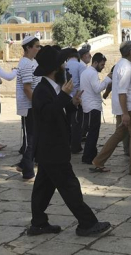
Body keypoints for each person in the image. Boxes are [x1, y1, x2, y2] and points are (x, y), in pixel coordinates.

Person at [27, 45, 111, 237]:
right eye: (62, 64)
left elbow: (58, 111)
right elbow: (48, 114)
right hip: (52, 149)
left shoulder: (52, 88)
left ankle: (38, 224)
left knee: (42, 189)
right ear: (54, 69)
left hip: (51, 149)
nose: (65, 67)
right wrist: (64, 96)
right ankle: (87, 223)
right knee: (70, 187)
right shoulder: (42, 90)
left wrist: (71, 103)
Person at [91, 41, 131, 175]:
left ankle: (99, 161)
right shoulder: (126, 67)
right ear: (130, 52)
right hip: (129, 109)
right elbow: (122, 92)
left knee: (118, 135)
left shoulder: (120, 65)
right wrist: (126, 113)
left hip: (124, 108)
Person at [79, 53, 112, 164]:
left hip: (89, 105)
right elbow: (97, 89)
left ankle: (91, 154)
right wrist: (107, 79)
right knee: (93, 133)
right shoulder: (92, 73)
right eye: (102, 65)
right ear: (96, 62)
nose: (103, 67)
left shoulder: (86, 72)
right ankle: (88, 156)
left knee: (92, 132)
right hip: (92, 107)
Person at [15, 36, 41, 180]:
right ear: (28, 48)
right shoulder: (25, 64)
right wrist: (36, 104)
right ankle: (28, 172)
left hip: (33, 105)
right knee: (30, 139)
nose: (38, 49)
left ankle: (23, 164)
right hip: (29, 107)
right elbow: (27, 88)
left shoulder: (33, 62)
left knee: (34, 138)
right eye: (36, 46)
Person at [66, 48, 86, 154]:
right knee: (77, 123)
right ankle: (76, 146)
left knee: (67, 122)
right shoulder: (80, 66)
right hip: (77, 97)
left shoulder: (64, 65)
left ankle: (67, 144)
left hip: (65, 97)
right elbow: (83, 83)